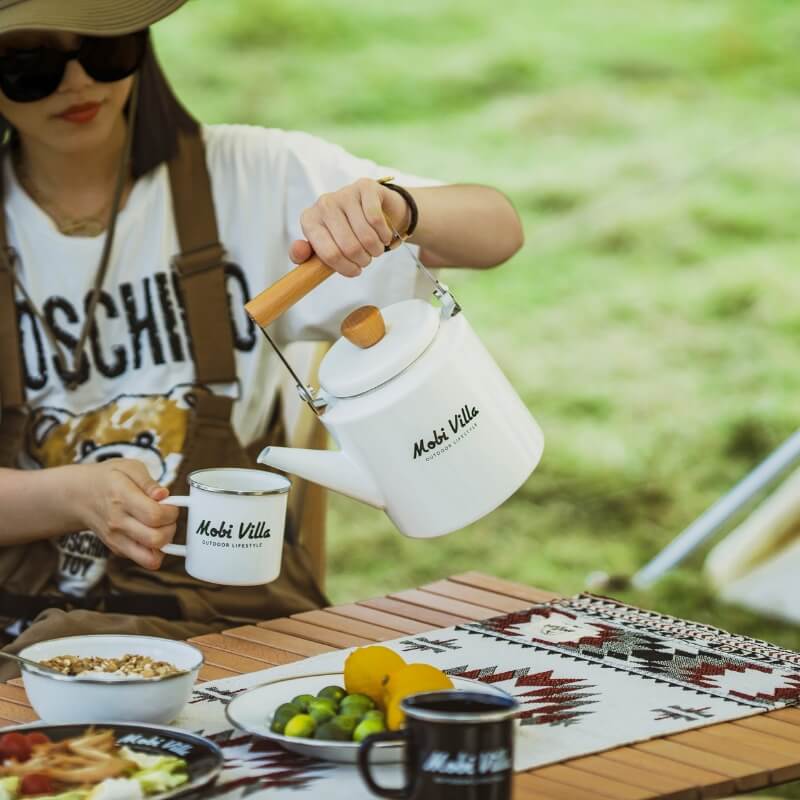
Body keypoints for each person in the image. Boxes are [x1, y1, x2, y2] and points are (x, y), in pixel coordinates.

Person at [0, 0, 524, 678]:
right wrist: (71, 496)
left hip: (227, 628)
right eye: (30, 64)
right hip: (15, 628)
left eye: (105, 49)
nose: (78, 83)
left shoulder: (251, 177)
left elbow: (498, 229)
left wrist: (396, 209)